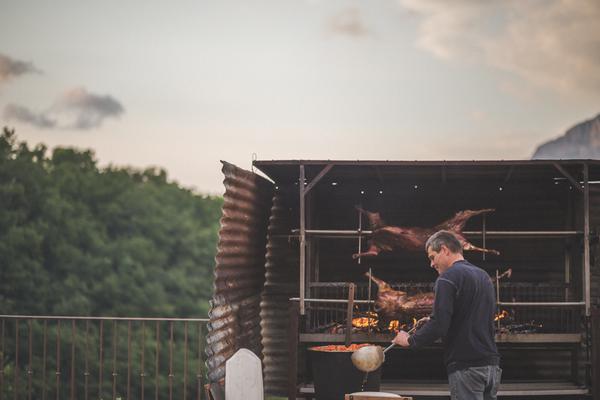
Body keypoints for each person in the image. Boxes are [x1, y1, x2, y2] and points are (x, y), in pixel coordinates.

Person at [392, 230, 501, 400]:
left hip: (466, 367)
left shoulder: (447, 278)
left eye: (432, 257)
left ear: (444, 249)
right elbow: (472, 315)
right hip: (491, 366)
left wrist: (408, 340)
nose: (431, 264)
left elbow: (439, 325)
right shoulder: (483, 276)